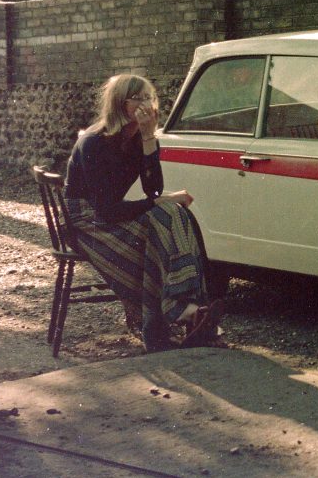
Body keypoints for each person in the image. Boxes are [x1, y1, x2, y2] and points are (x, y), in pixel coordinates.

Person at [64, 73, 223, 352]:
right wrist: (160, 201)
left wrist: (149, 138)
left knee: (175, 214)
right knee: (160, 224)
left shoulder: (138, 137)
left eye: (150, 97)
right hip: (88, 222)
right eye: (138, 98)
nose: (147, 104)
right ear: (119, 104)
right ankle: (179, 313)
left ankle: (190, 308)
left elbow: (153, 189)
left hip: (111, 214)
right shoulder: (94, 142)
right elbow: (107, 210)